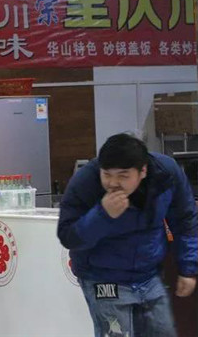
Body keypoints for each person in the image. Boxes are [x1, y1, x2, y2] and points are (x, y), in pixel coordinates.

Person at [58, 133, 198, 337]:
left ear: (143, 171)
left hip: (149, 275)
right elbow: (68, 236)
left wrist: (188, 268)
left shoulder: (165, 174)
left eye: (123, 176)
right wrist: (102, 215)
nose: (113, 183)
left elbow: (185, 220)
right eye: (107, 174)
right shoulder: (85, 181)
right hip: (102, 277)